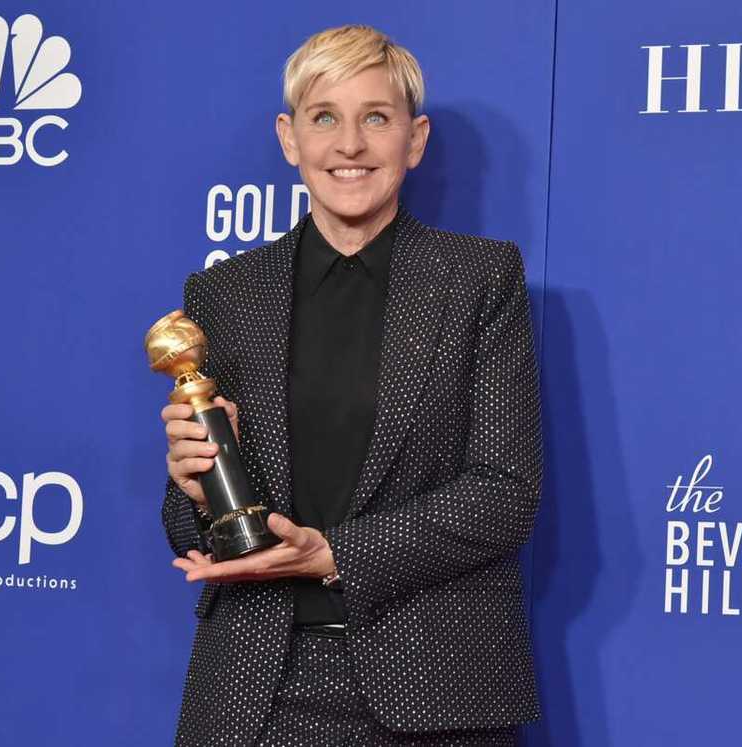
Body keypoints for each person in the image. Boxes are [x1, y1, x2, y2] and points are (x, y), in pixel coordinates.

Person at [160, 24, 542, 746]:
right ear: (289, 137)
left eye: (377, 118)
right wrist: (189, 484)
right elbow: (192, 532)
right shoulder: (223, 294)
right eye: (324, 117)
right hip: (254, 687)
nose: (350, 146)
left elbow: (505, 493)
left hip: (437, 685)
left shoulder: (479, 279)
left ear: (415, 138)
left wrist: (336, 553)